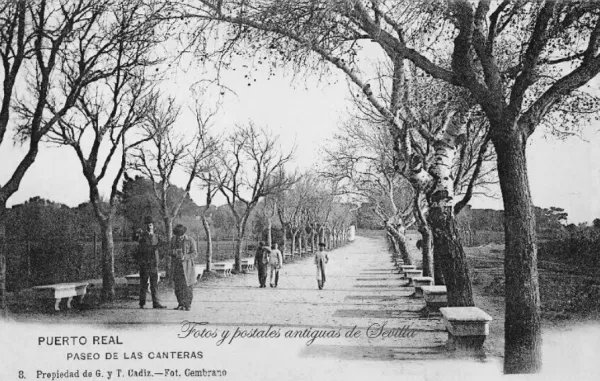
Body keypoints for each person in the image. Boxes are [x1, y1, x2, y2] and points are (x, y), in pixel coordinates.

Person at [134, 216, 166, 309]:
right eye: (148, 225)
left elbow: (163, 245)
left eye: (151, 225)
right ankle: (142, 302)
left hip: (154, 263)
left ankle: (156, 303)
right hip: (145, 263)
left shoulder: (156, 236)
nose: (149, 226)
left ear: (153, 226)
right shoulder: (142, 236)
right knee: (144, 283)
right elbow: (141, 245)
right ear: (145, 226)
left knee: (154, 284)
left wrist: (160, 256)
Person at [171, 224, 197, 311]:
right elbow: (168, 250)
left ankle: (187, 305)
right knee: (178, 287)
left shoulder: (190, 240)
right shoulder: (173, 240)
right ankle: (180, 304)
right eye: (178, 235)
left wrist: (185, 257)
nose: (179, 237)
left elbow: (194, 253)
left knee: (188, 287)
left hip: (187, 267)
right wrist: (174, 252)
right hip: (176, 266)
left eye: (181, 235)